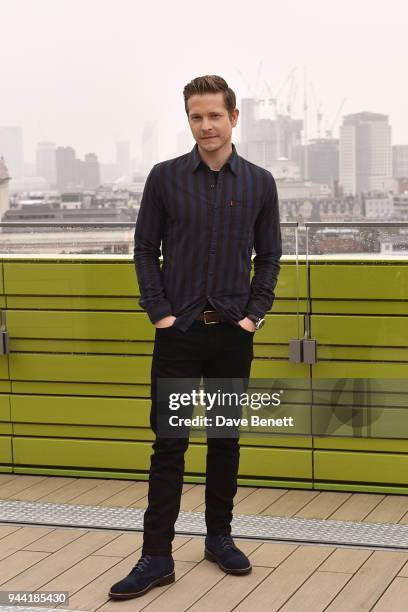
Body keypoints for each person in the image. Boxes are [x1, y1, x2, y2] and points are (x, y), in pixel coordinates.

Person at [109, 74, 282, 600]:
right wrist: (159, 314)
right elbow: (144, 249)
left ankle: (218, 538)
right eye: (195, 116)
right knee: (170, 445)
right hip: (178, 335)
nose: (205, 125)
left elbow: (269, 257)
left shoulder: (259, 182)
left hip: (232, 334)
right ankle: (156, 556)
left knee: (225, 441)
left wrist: (254, 316)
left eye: (214, 115)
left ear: (234, 118)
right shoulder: (164, 178)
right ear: (188, 120)